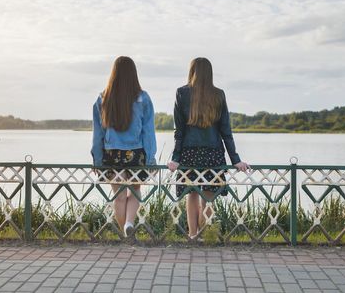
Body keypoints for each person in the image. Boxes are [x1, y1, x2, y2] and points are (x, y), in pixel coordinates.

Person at [167, 57, 249, 239]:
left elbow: (179, 130)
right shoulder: (218, 94)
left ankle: (192, 235)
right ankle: (205, 236)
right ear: (210, 73)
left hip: (189, 153)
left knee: (191, 195)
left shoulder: (182, 93)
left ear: (192, 71)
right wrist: (235, 160)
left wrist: (175, 158)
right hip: (213, 153)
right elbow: (226, 130)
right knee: (208, 198)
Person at [91, 56, 157, 237]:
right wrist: (151, 159)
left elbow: (98, 134)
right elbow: (148, 133)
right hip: (135, 154)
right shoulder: (143, 98)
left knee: (118, 197)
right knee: (135, 191)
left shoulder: (103, 98)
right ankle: (129, 223)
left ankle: (124, 234)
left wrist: (97, 160)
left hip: (112, 155)